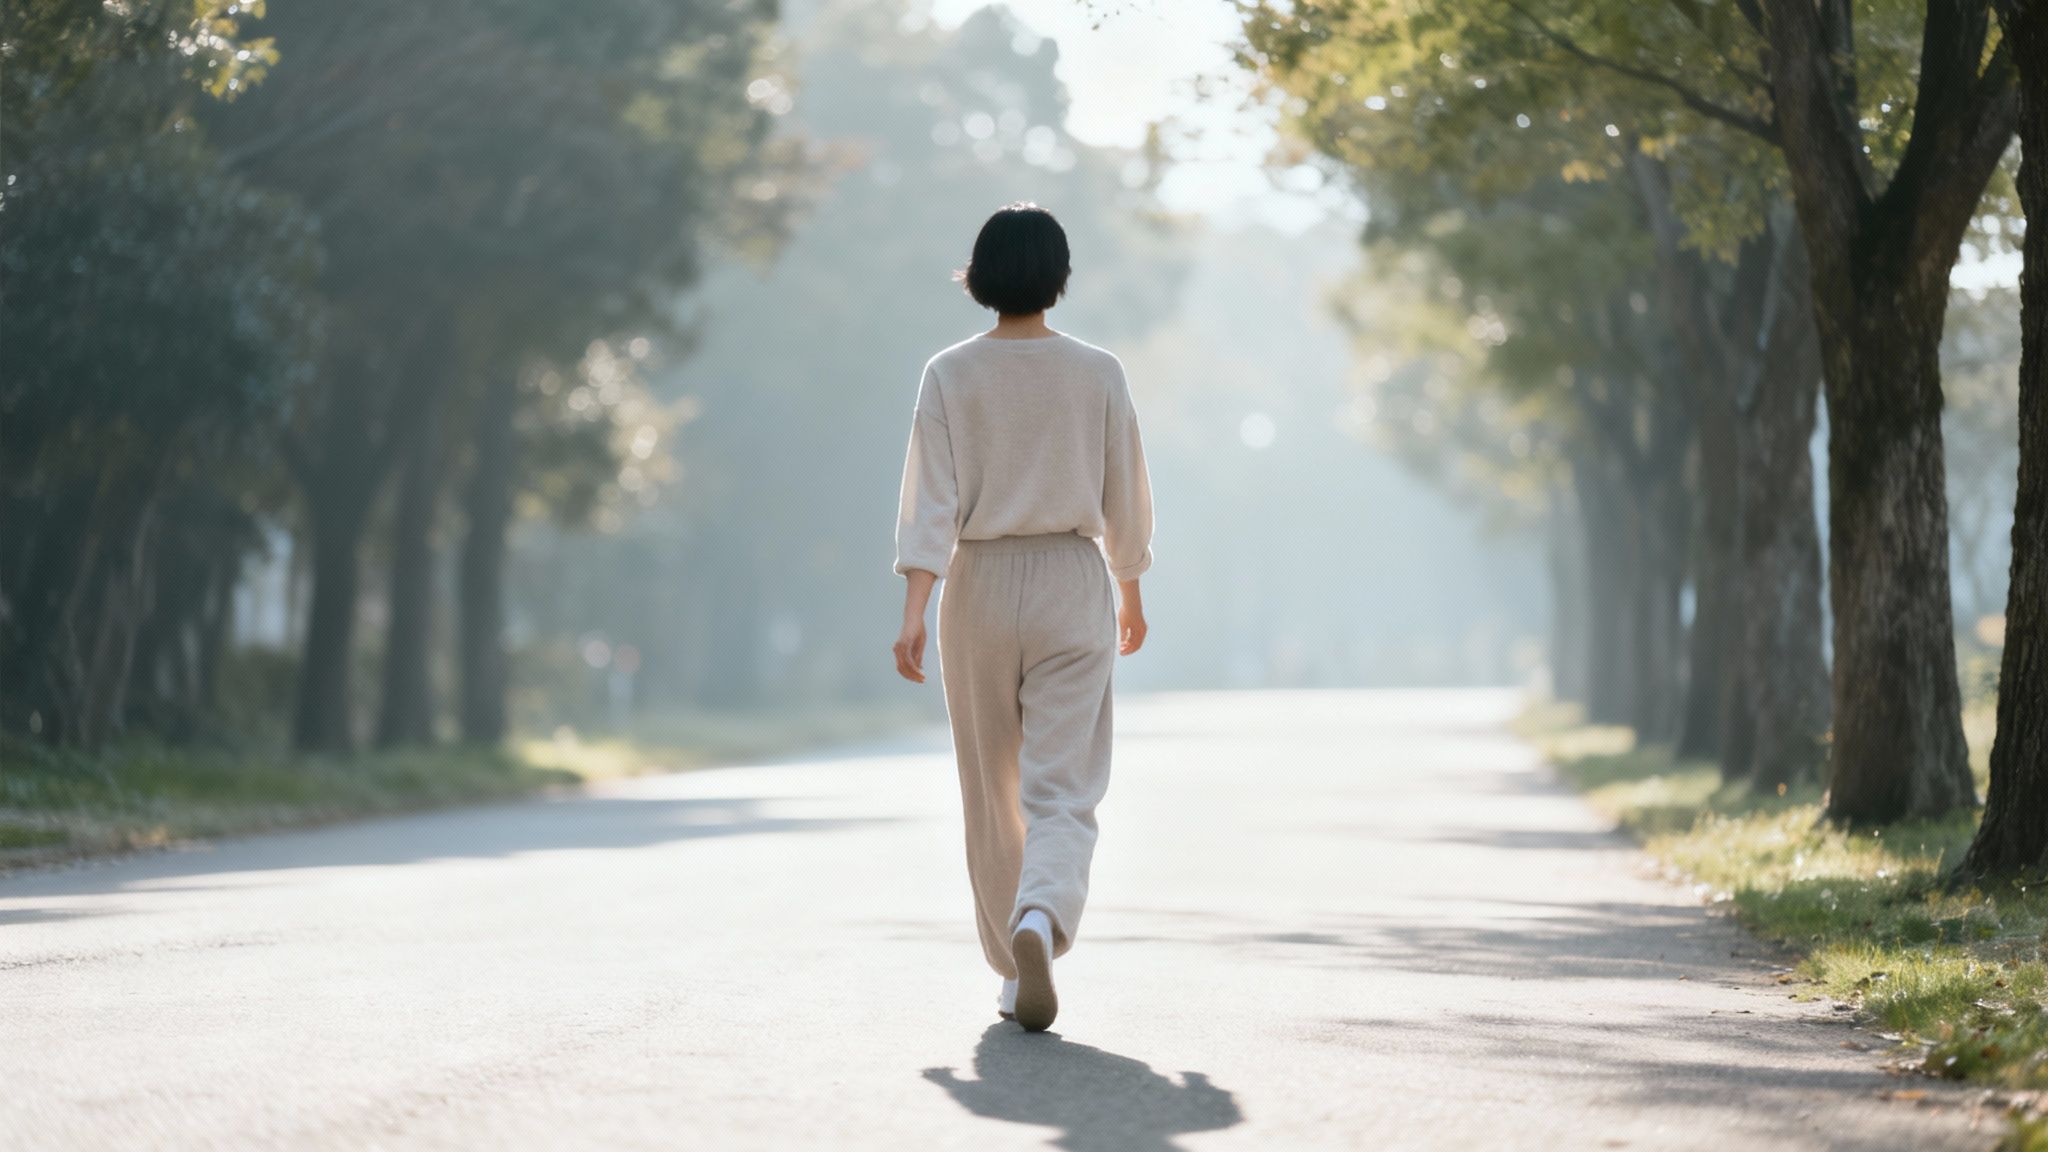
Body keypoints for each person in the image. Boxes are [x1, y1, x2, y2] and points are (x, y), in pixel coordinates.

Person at [891, 202, 1154, 1033]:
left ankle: (1014, 970)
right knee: (1063, 788)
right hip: (1073, 580)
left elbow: (930, 503)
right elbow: (1126, 495)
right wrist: (1131, 589)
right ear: (1059, 277)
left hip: (977, 583)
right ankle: (1040, 916)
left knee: (990, 787)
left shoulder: (949, 372)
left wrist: (913, 610)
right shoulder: (1099, 371)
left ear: (980, 275)